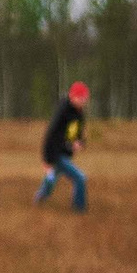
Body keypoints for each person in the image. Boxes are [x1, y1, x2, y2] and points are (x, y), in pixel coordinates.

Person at [36, 80, 89, 211]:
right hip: (56, 153)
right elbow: (50, 135)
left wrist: (80, 143)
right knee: (80, 178)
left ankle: (40, 196)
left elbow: (78, 134)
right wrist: (46, 159)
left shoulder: (79, 113)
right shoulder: (62, 111)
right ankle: (79, 209)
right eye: (80, 98)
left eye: (85, 98)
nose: (83, 101)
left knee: (52, 177)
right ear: (72, 96)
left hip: (66, 153)